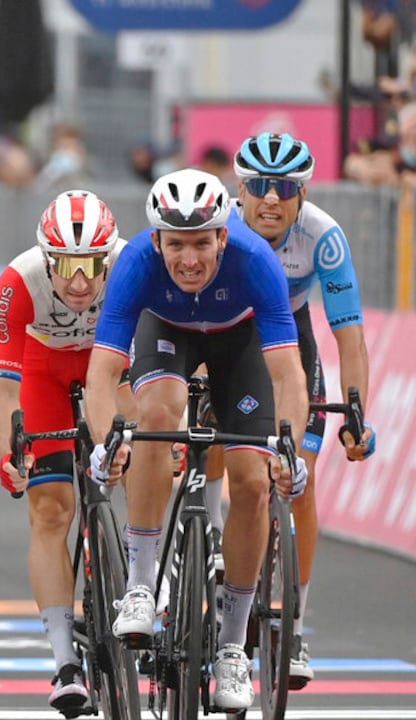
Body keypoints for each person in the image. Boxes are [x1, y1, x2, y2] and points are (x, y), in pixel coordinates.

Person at [85, 168, 309, 712]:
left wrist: (290, 451)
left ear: (223, 237)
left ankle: (233, 646)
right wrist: (103, 444)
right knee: (158, 414)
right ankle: (141, 582)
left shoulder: (255, 261)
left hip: (242, 341)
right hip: (165, 332)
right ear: (157, 239)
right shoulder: (135, 264)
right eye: (177, 245)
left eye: (202, 244)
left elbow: (288, 376)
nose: (190, 260)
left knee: (255, 484)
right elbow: (101, 372)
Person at [232, 132, 375, 686]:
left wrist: (355, 414)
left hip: (291, 339)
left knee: (300, 481)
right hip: (224, 336)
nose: (272, 198)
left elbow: (351, 337)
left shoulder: (323, 237)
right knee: (218, 464)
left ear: (302, 192)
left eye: (285, 188)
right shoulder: (221, 225)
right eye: (261, 186)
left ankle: (291, 624)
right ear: (242, 189)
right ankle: (208, 564)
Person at [0, 190, 128, 712]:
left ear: (108, 258)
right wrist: (11, 455)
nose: (79, 281)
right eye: (66, 266)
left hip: (110, 364)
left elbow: (159, 367)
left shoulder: (130, 265)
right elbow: (1, 391)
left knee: (151, 454)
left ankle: (146, 578)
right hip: (42, 370)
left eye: (92, 265)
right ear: (47, 259)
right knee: (50, 509)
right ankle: (66, 660)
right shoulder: (17, 281)